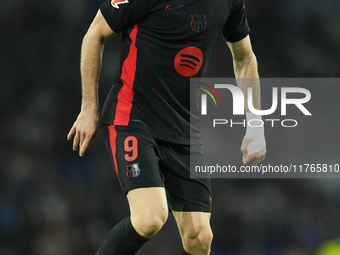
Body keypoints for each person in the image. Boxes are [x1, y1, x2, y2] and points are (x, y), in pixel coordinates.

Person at [67, 0, 266, 254]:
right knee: (150, 217)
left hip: (183, 129)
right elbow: (95, 34)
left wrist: (256, 125)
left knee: (200, 237)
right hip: (133, 117)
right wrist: (88, 108)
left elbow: (245, 57)